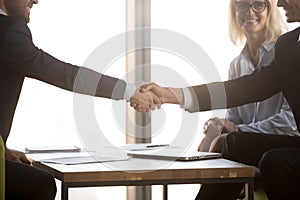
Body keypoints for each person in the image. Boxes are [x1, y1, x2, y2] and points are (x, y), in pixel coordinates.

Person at [132, 0, 300, 199]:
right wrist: (170, 94)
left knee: (275, 161)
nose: (280, 2)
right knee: (234, 143)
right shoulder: (289, 45)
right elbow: (248, 88)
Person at [0, 0, 159, 199]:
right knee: (39, 184)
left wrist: (3, 149)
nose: (35, 0)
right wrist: (128, 91)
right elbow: (63, 73)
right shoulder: (9, 32)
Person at [198, 0, 298, 153]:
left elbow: (289, 122)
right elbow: (234, 118)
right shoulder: (236, 65)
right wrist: (220, 124)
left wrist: (238, 130)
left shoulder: (284, 51)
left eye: (258, 4)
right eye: (243, 5)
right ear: (234, 11)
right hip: (250, 140)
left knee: (223, 142)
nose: (250, 12)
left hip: (283, 140)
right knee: (208, 141)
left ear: (269, 11)